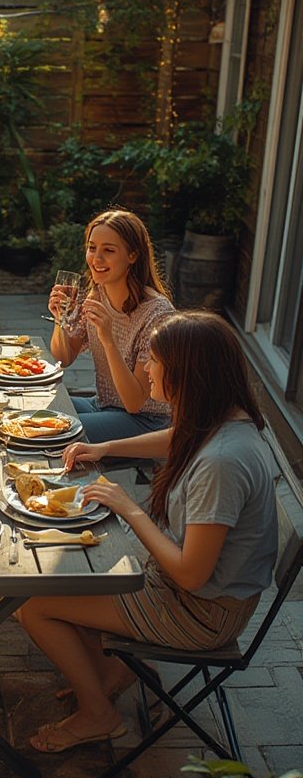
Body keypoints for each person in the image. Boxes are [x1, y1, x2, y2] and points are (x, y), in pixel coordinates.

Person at [18, 310, 277, 754]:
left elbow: (192, 576)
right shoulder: (226, 422)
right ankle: (110, 671)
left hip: (198, 611)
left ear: (187, 374)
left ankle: (98, 713)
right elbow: (178, 437)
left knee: (30, 603)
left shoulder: (221, 464)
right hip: (193, 591)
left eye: (155, 362)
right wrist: (102, 447)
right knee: (69, 569)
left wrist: (128, 508)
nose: (148, 370)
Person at [48, 209, 173, 442]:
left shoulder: (156, 313)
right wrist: (60, 317)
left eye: (109, 250)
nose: (96, 259)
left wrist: (108, 339)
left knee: (57, 431)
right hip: (103, 405)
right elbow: (63, 358)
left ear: (133, 255)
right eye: (92, 247)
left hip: (146, 421)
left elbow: (135, 403)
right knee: (36, 410)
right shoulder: (97, 294)